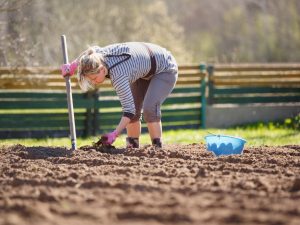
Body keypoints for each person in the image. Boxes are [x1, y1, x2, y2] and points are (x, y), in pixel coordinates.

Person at [61, 42, 178, 148]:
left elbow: (129, 111)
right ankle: (132, 146)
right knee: (136, 110)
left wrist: (114, 134)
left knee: (149, 108)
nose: (94, 82)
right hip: (142, 69)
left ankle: (157, 148)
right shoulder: (97, 56)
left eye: (94, 78)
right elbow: (89, 52)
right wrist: (72, 66)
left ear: (102, 69)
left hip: (165, 67)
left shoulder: (118, 76)